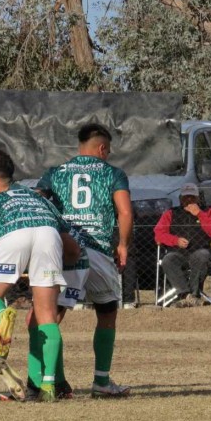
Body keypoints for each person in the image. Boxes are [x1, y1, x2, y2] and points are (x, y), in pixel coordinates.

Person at [0, 149, 80, 402]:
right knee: (46, 315)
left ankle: (2, 315)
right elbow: (73, 250)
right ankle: (48, 386)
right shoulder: (41, 200)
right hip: (48, 235)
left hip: (12, 234)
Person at [36, 123, 133, 398]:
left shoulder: (56, 173)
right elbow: (124, 212)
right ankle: (101, 380)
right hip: (100, 250)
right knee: (107, 313)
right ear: (102, 148)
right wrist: (123, 245)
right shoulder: (113, 173)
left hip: (68, 250)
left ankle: (44, 380)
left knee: (52, 315)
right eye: (108, 150)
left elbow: (37, 201)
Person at [154, 183, 211, 306]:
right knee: (167, 260)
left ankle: (193, 294)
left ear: (198, 198)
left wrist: (200, 214)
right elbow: (158, 233)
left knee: (202, 255)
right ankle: (187, 295)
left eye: (192, 197)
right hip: (177, 253)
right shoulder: (170, 213)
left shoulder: (209, 211)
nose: (189, 200)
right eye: (186, 197)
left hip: (200, 251)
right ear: (181, 198)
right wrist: (175, 240)